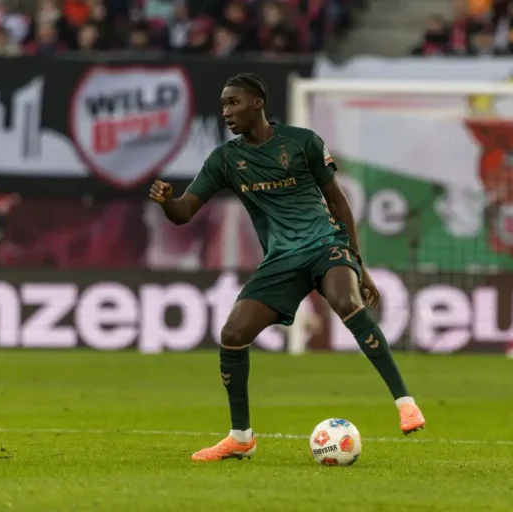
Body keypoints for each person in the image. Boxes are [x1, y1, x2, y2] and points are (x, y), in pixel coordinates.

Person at [149, 73, 425, 462]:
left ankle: (405, 403)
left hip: (325, 244)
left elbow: (338, 202)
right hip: (281, 260)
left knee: (347, 303)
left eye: (234, 103)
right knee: (232, 333)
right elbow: (184, 212)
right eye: (224, 104)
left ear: (258, 103)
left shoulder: (302, 142)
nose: (227, 112)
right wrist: (166, 202)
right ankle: (241, 437)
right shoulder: (225, 160)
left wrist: (357, 262)